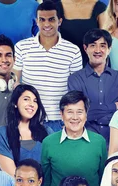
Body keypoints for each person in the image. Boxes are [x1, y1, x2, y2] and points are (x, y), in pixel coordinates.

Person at [14, 1, 83, 132]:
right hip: (30, 118)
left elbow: (76, 91)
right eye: (42, 20)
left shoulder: (73, 51)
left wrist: (69, 119)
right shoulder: (21, 47)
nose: (46, 24)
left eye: (51, 19)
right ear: (36, 21)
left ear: (60, 21)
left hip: (59, 121)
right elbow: (15, 83)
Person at [41, 90, 108, 186]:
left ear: (86, 114)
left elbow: (103, 179)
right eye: (70, 112)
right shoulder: (48, 143)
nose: (75, 117)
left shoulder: (99, 142)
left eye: (80, 112)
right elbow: (46, 181)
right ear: (61, 115)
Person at [67, 29, 118, 143]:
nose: (98, 50)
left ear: (109, 49)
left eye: (103, 46)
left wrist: (93, 109)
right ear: (85, 48)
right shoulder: (75, 79)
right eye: (93, 45)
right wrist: (113, 107)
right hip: (86, 140)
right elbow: (79, 112)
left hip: (116, 139)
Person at [0, 84, 50, 177]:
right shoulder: (2, 134)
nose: (31, 104)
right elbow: (11, 174)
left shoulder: (47, 131)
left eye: (35, 101)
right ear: (15, 103)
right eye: (26, 99)